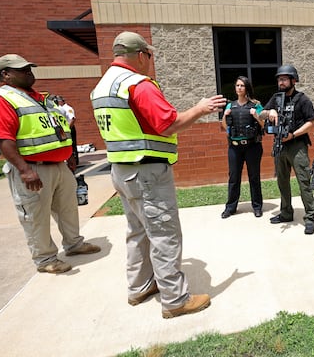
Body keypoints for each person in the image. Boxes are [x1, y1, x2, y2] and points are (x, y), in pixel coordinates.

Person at [90, 31, 227, 319]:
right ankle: (175, 299)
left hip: (122, 170)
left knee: (138, 232)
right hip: (147, 172)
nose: (151, 62)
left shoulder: (103, 86)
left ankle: (139, 286)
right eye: (150, 56)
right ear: (141, 55)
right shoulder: (138, 85)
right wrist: (201, 108)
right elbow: (169, 124)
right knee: (164, 233)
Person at [0, 54, 101, 274]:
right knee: (36, 215)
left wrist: (69, 155)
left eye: (29, 68)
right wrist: (24, 170)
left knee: (67, 208)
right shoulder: (0, 100)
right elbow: (1, 138)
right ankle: (46, 259)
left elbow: (59, 128)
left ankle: (74, 244)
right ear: (5, 74)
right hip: (32, 168)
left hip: (58, 165)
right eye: (21, 70)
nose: (28, 72)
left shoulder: (40, 98)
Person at [260, 65, 314, 235]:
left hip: (297, 145)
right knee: (282, 181)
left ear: (294, 80)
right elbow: (261, 113)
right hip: (280, 145)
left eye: (284, 79)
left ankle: (310, 217)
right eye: (279, 79)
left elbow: (311, 122)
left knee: (303, 181)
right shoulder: (276, 98)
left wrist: (293, 135)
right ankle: (286, 213)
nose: (281, 82)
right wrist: (269, 111)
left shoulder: (302, 99)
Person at [221, 76, 264, 219]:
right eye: (237, 85)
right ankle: (230, 208)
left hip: (252, 146)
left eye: (242, 85)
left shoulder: (255, 105)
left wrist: (256, 115)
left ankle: (257, 207)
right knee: (234, 177)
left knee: (254, 177)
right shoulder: (230, 106)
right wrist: (224, 116)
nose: (239, 88)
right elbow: (225, 127)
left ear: (246, 88)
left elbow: (264, 125)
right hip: (234, 147)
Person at [55, 95, 78, 165]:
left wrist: (68, 129)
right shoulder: (60, 108)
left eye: (57, 101)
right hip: (65, 129)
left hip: (69, 128)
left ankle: (75, 161)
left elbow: (72, 119)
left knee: (72, 145)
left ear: (61, 101)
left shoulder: (67, 108)